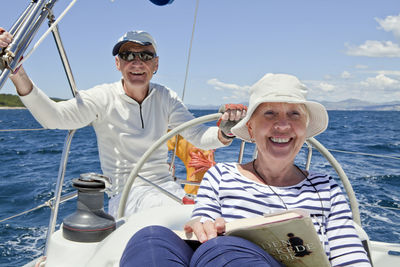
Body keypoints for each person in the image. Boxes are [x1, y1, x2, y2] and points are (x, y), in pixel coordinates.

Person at [120, 73, 371, 267]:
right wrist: (200, 223)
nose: (282, 125)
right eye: (270, 113)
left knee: (223, 250)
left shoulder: (326, 189)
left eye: (294, 114)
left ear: (304, 129)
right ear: (250, 129)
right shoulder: (221, 176)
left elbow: (350, 257)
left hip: (226, 258)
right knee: (151, 239)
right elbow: (204, 216)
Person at [0, 28, 247, 217]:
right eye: (127, 55)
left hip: (167, 187)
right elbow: (53, 117)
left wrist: (225, 132)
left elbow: (197, 135)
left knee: (209, 210)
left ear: (156, 64)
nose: (136, 62)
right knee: (179, 214)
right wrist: (17, 72)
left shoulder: (165, 97)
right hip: (127, 194)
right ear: (117, 64)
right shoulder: (101, 97)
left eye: (145, 55)